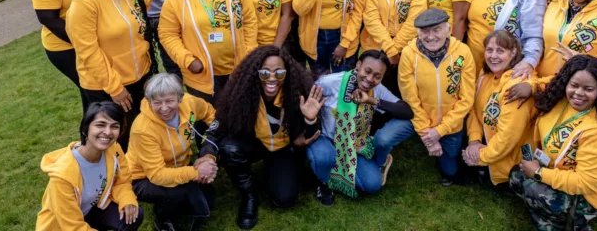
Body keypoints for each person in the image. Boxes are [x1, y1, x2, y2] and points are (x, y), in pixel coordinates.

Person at [508, 55, 597, 231]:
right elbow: (547, 82)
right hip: (558, 171)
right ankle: (562, 221)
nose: (579, 93)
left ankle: (572, 221)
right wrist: (531, 86)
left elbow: (587, 182)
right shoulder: (560, 100)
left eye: (588, 89)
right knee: (516, 177)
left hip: (594, 192)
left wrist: (538, 173)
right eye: (574, 85)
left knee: (536, 192)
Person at [199, 46, 318, 229]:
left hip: (283, 148)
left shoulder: (298, 92)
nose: (271, 78)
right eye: (264, 72)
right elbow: (215, 130)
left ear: (287, 73)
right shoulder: (241, 93)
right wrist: (207, 155)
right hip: (254, 144)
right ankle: (249, 194)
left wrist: (310, 120)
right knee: (229, 147)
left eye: (278, 73)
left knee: (284, 199)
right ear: (256, 73)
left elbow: (309, 136)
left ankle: (274, 171)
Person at [66, 0, 156, 150]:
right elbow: (87, 52)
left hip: (139, 75)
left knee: (138, 130)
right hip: (105, 85)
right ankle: (113, 176)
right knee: (113, 136)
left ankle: (139, 171)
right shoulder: (84, 0)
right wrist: (115, 88)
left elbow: (139, 22)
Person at [375, 8, 476, 186]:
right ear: (418, 33)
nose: (430, 37)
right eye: (425, 31)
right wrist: (427, 134)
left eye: (436, 30)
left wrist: (440, 131)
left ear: (448, 29)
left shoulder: (463, 52)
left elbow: (466, 99)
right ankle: (380, 161)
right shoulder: (408, 53)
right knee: (382, 139)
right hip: (415, 117)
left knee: (450, 171)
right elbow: (410, 98)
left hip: (449, 124)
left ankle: (446, 160)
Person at [308, 50, 414, 205]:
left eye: (377, 76)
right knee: (323, 157)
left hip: (354, 144)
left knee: (372, 184)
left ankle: (334, 166)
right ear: (358, 65)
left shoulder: (376, 90)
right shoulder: (331, 82)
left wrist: (372, 100)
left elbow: (406, 111)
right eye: (367, 71)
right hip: (326, 139)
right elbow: (306, 93)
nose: (370, 79)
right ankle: (324, 183)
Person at [159, 0, 258, 103]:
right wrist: (188, 60)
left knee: (239, 117)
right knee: (209, 121)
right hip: (201, 77)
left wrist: (249, 55)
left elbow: (249, 21)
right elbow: (167, 34)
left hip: (238, 69)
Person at [126, 73, 217, 231]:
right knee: (175, 195)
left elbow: (211, 114)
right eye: (157, 103)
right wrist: (196, 173)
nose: (164, 108)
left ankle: (176, 204)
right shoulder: (142, 130)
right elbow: (157, 175)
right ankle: (163, 221)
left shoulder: (190, 103)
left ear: (180, 98)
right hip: (142, 177)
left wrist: (209, 154)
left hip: (179, 165)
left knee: (209, 199)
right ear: (149, 102)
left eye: (169, 101)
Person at [36, 102, 143, 231]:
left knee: (134, 214)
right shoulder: (62, 177)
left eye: (114, 126)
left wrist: (127, 199)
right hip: (63, 226)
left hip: (93, 209)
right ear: (85, 128)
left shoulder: (114, 149)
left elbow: (122, 181)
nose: (108, 132)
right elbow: (73, 227)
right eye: (100, 125)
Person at [463, 31, 535, 186]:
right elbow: (474, 110)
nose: (493, 56)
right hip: (486, 144)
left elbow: (507, 138)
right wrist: (474, 141)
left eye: (500, 51)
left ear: (513, 53)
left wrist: (479, 157)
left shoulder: (517, 85)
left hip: (508, 159)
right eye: (489, 50)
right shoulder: (485, 74)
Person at [360, 0, 428, 95]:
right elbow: (371, 19)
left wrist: (395, 50)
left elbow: (414, 20)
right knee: (373, 89)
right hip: (376, 47)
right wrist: (390, 51)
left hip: (406, 48)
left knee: (401, 92)